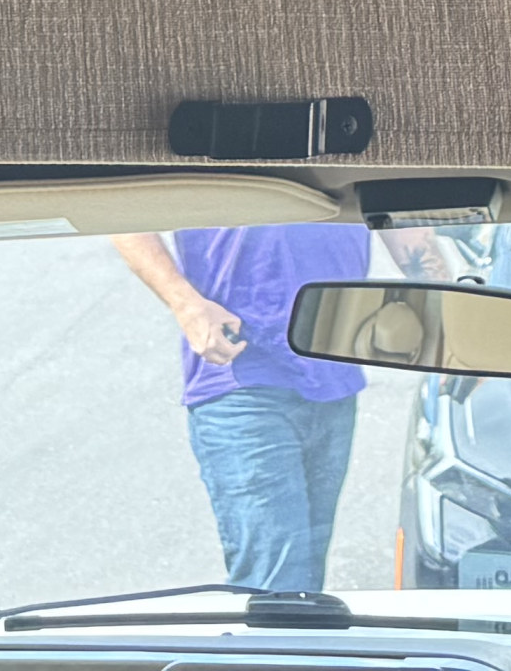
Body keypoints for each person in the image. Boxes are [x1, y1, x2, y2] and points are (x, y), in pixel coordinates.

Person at [116, 222, 377, 594]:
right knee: (275, 577)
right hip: (241, 373)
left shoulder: (342, 159)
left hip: (334, 370)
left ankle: (295, 649)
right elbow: (125, 215)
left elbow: (401, 215)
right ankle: (271, 649)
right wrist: (185, 304)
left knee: (305, 579)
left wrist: (449, 337)